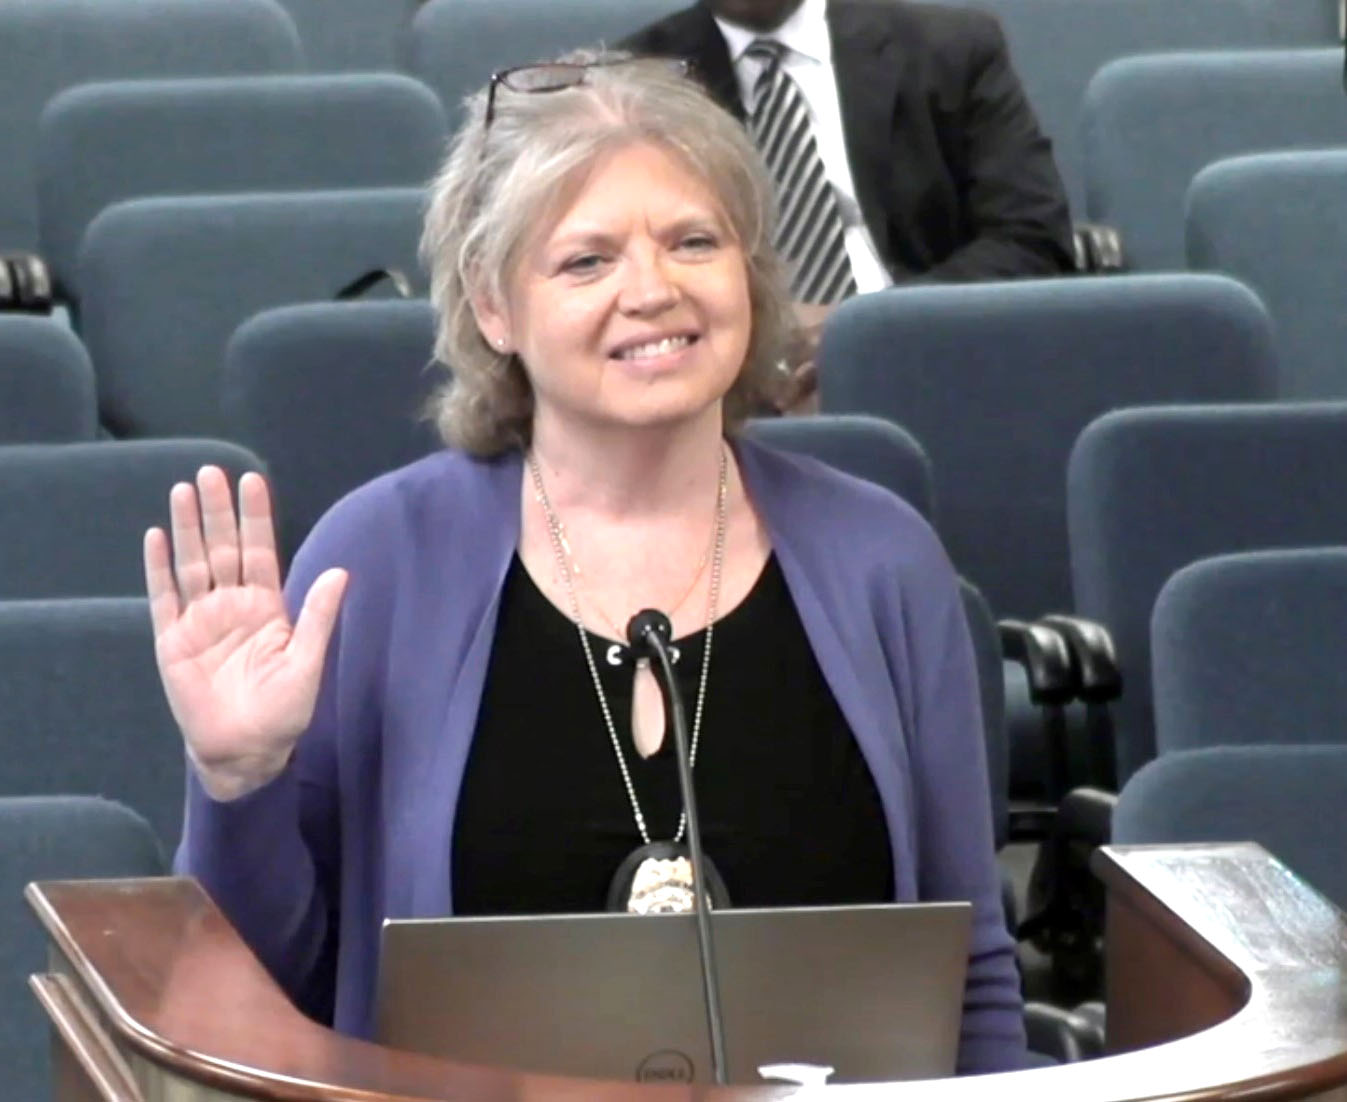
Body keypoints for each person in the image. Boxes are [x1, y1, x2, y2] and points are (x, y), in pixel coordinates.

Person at [146, 54, 1027, 1075]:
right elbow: (267, 989)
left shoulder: (884, 561)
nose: (652, 291)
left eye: (694, 241)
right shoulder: (378, 563)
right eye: (585, 261)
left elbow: (973, 976)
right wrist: (238, 777)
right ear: (492, 306)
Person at [623, 0, 1075, 289]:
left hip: (916, 348)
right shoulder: (637, 82)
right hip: (730, 376)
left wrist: (869, 327)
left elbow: (1032, 240)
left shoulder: (951, 50)